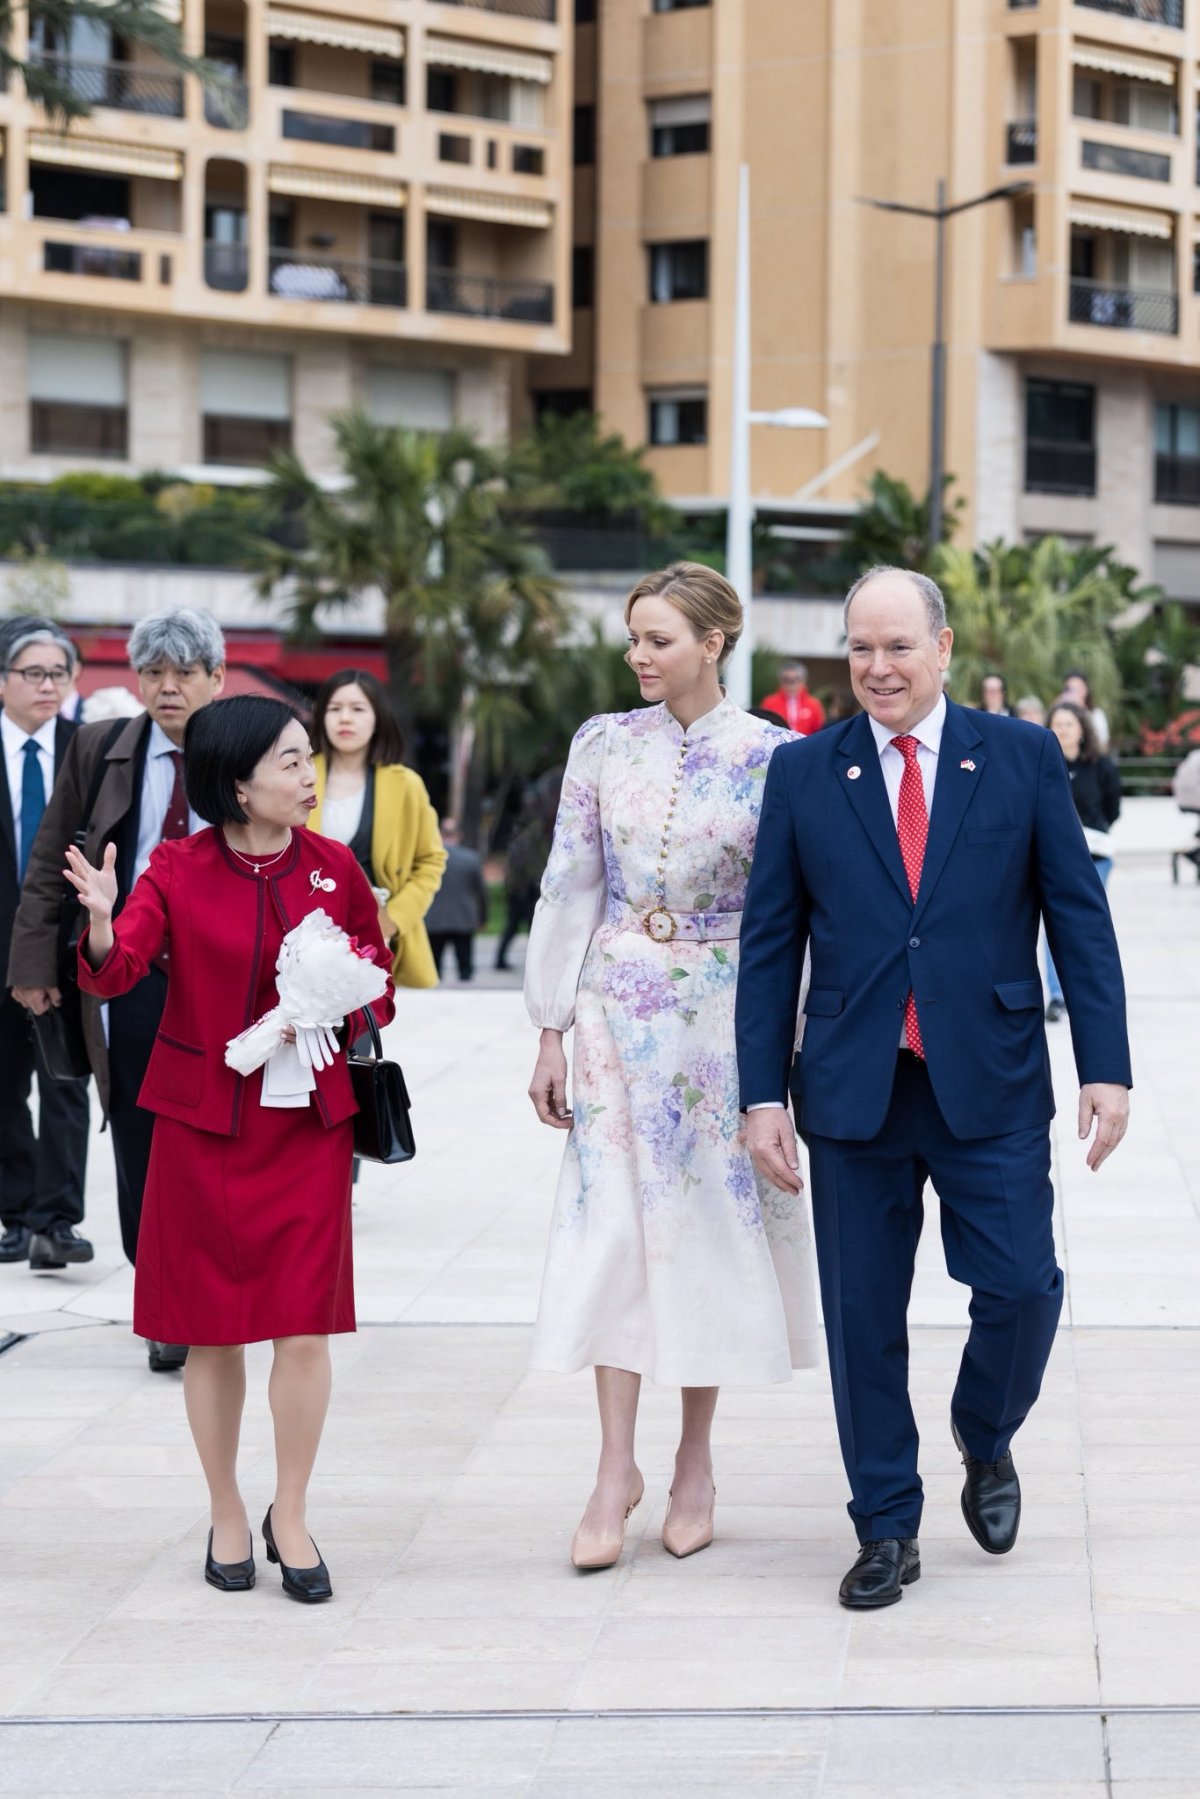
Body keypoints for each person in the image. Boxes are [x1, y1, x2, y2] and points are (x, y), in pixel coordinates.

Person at [736, 565, 1131, 1611]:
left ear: (943, 647)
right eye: (860, 648)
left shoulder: (1020, 755)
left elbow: (1076, 915)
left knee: (1021, 1285)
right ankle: (885, 1524)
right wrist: (761, 1094)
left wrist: (1105, 1063)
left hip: (990, 1078)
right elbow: (771, 943)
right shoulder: (806, 772)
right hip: (852, 1088)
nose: (878, 667)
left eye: (898, 646)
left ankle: (985, 1430)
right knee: (862, 1314)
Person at [66, 696, 394, 1600]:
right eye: (289, 761)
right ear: (236, 782)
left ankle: (291, 1511)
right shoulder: (175, 867)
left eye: (307, 758)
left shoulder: (333, 866)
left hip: (308, 1130)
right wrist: (98, 920)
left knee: (304, 1329)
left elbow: (381, 983)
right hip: (204, 1128)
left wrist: (329, 1006)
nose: (308, 773)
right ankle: (224, 1508)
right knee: (212, 1334)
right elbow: (119, 966)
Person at [526, 562, 819, 1572]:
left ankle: (694, 1459)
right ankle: (616, 1468)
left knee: (703, 1235)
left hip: (723, 1023)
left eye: (658, 638)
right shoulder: (601, 745)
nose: (638, 654)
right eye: (634, 637)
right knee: (612, 1229)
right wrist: (551, 1024)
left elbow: (794, 911)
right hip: (613, 1011)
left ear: (714, 641)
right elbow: (569, 883)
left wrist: (787, 1050)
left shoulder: (781, 758)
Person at [9, 607, 226, 1371]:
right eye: (153, 673)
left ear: (215, 678)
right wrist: (35, 962)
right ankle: (162, 1299)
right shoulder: (100, 748)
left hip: (225, 978)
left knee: (210, 1142)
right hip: (128, 972)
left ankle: (207, 1292)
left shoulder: (246, 747)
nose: (167, 687)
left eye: (183, 673)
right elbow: (48, 858)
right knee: (137, 1138)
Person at [0, 618, 91, 1270]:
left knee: (66, 1082)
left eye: (58, 673)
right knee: (3, 1086)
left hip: (67, 948)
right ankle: (15, 1212)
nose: (48, 685)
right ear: (3, 680)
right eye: (34, 672)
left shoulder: (87, 751)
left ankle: (56, 1220)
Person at [307, 669, 445, 990]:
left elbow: (431, 861)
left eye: (357, 709)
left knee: (364, 1033)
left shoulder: (406, 784)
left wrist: (392, 921)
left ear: (377, 718)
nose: (345, 719)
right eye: (334, 708)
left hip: (375, 943)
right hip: (305, 935)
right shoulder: (300, 774)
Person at [1043, 701, 1121, 1025]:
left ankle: (1089, 994)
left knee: (1086, 924)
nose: (1063, 730)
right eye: (1057, 724)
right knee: (1053, 927)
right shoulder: (1041, 763)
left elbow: (1113, 808)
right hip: (1050, 859)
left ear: (1082, 730)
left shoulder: (1101, 765)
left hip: (1095, 858)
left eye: (1069, 724)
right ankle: (1058, 996)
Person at [495, 794, 554, 972]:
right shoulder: (529, 839)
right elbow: (527, 867)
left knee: (515, 927)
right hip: (524, 891)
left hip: (522, 890)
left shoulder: (525, 840)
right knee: (522, 927)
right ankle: (527, 961)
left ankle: (507, 960)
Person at [425, 818, 489, 982]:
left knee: (433, 969)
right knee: (465, 967)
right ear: (459, 835)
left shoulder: (429, 859)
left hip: (434, 919)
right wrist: (483, 918)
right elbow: (481, 892)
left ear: (439, 834)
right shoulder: (471, 858)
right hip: (463, 919)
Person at [759, 660, 826, 736]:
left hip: (806, 745)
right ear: (781, 680)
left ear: (803, 680)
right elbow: (764, 728)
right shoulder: (769, 702)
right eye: (787, 679)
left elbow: (819, 730)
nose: (791, 683)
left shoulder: (814, 704)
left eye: (796, 679)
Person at [1058, 670, 1110, 751]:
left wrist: (1082, 713)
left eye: (1078, 688)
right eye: (1070, 689)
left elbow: (1103, 745)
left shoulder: (1095, 714)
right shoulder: (1058, 713)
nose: (1074, 693)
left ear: (1086, 690)